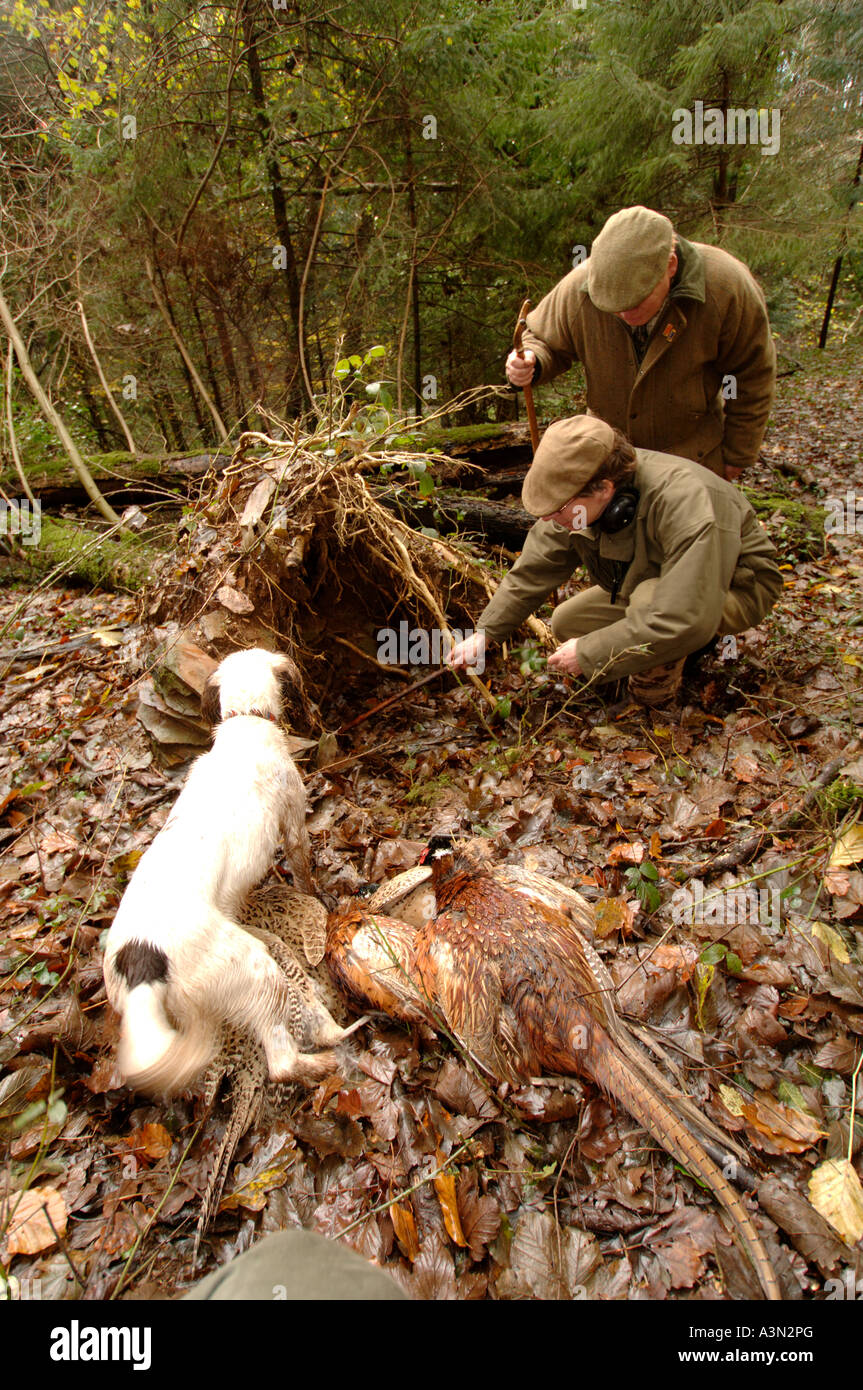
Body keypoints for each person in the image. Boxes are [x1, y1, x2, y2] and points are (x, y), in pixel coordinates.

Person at [447, 416, 783, 705]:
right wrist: (486, 633)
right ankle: (660, 649)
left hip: (734, 587)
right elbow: (533, 569)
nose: (550, 517)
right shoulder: (575, 502)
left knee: (652, 602)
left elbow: (686, 615)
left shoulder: (685, 501)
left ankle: (655, 694)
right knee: (568, 621)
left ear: (605, 489)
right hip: (654, 578)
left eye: (558, 509)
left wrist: (591, 653)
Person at [506, 206, 776, 482]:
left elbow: (750, 376)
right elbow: (541, 338)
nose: (624, 315)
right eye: (613, 307)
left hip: (693, 459)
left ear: (670, 266)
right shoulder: (584, 285)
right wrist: (531, 360)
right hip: (609, 461)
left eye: (635, 302)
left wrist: (736, 455)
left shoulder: (725, 286)